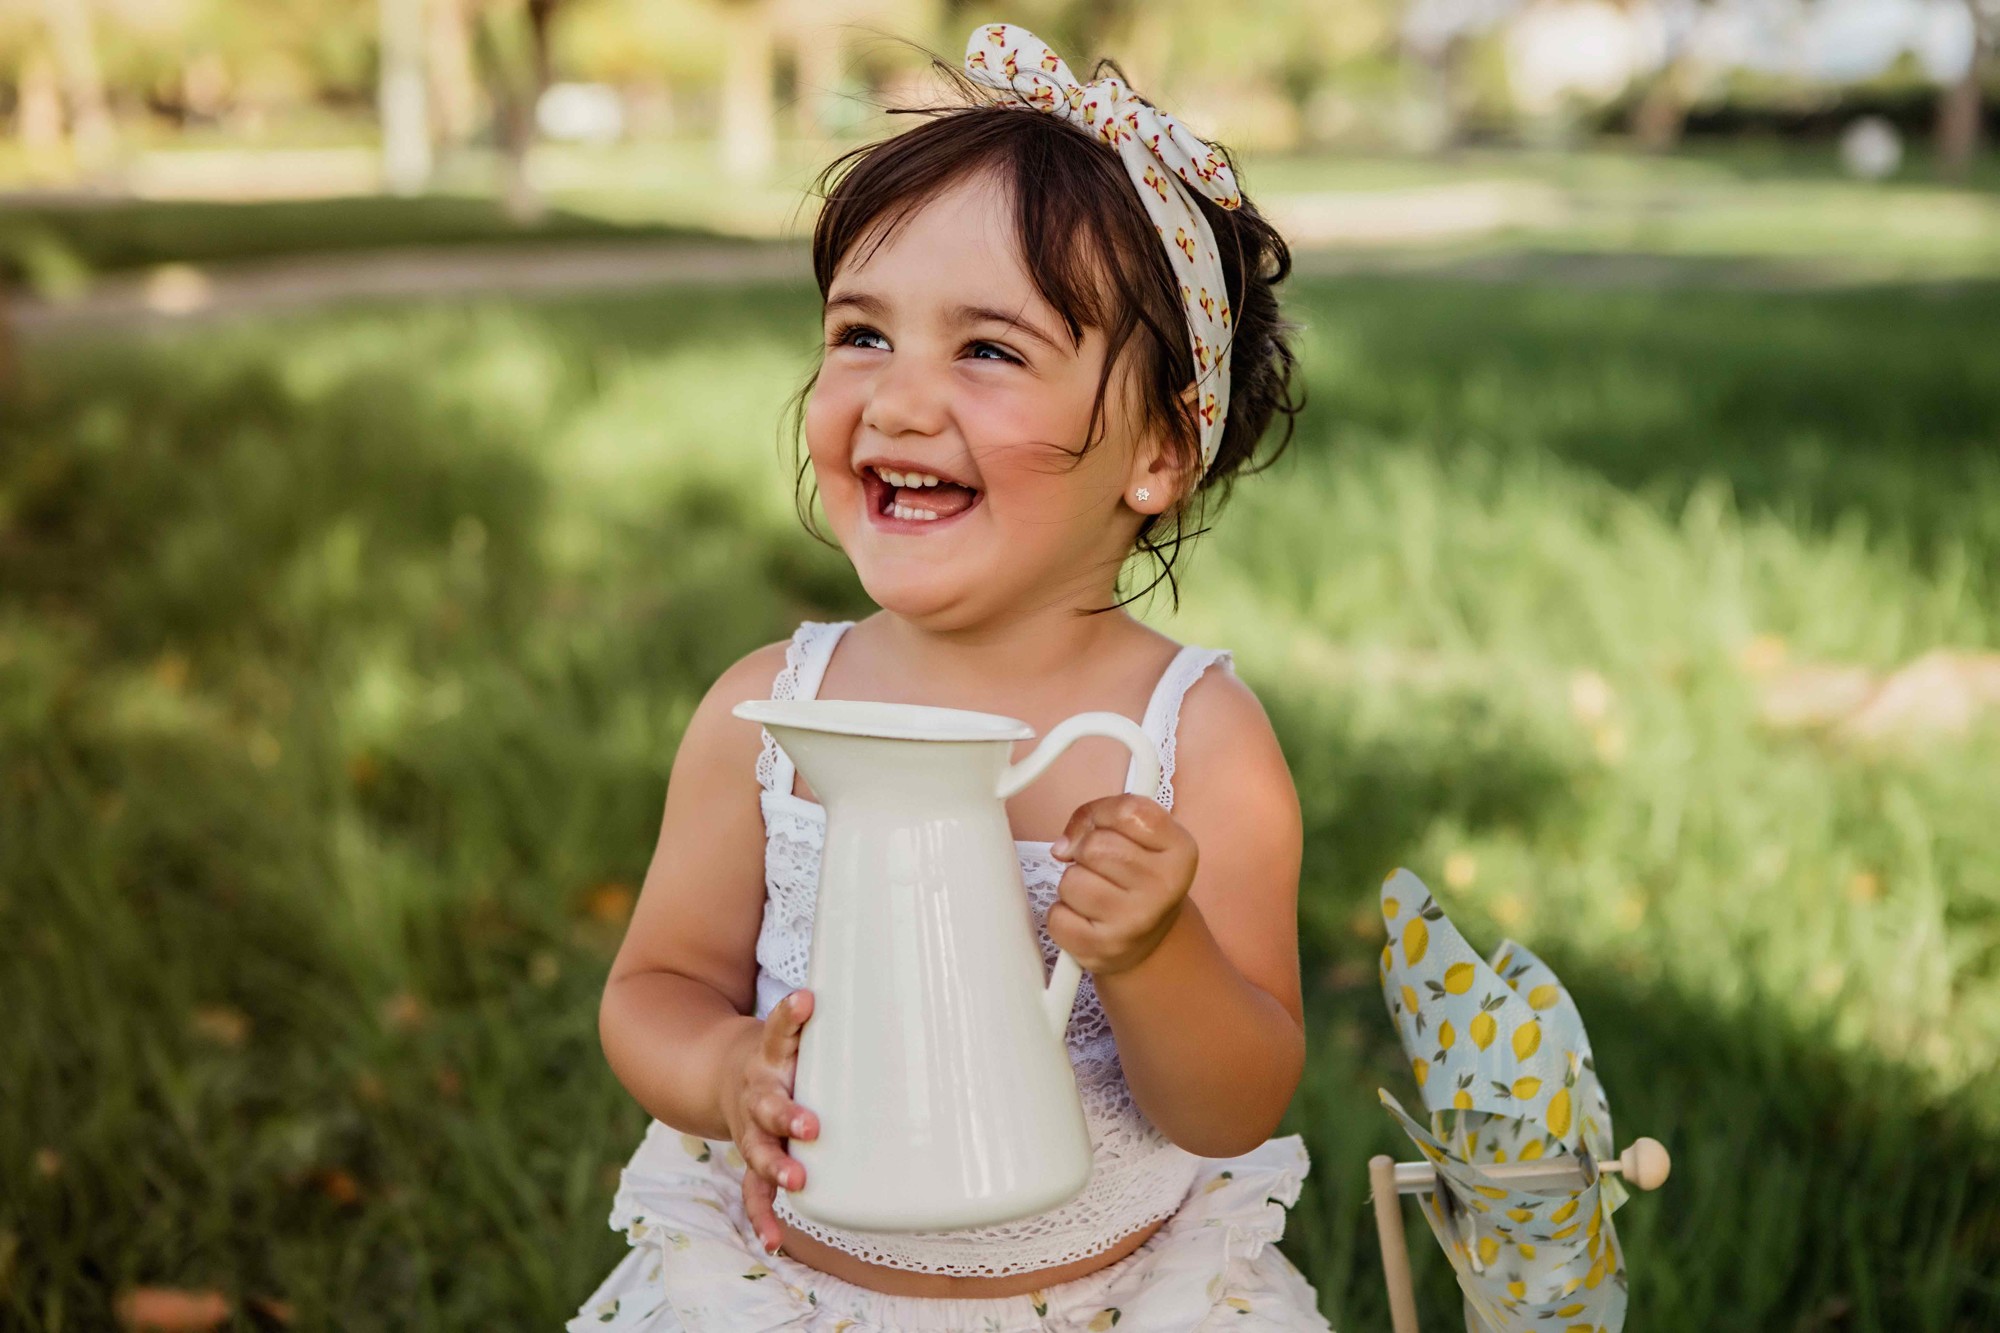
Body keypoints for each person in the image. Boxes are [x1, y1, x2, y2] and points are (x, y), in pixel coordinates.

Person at [570, 22, 1332, 1332]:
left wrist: (1156, 948)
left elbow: (1235, 1099)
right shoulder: (772, 715)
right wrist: (722, 1069)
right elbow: (651, 990)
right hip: (790, 1293)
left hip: (1116, 1301)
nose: (902, 399)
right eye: (862, 335)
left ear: (1158, 451)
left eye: (987, 351)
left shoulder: (1194, 741)